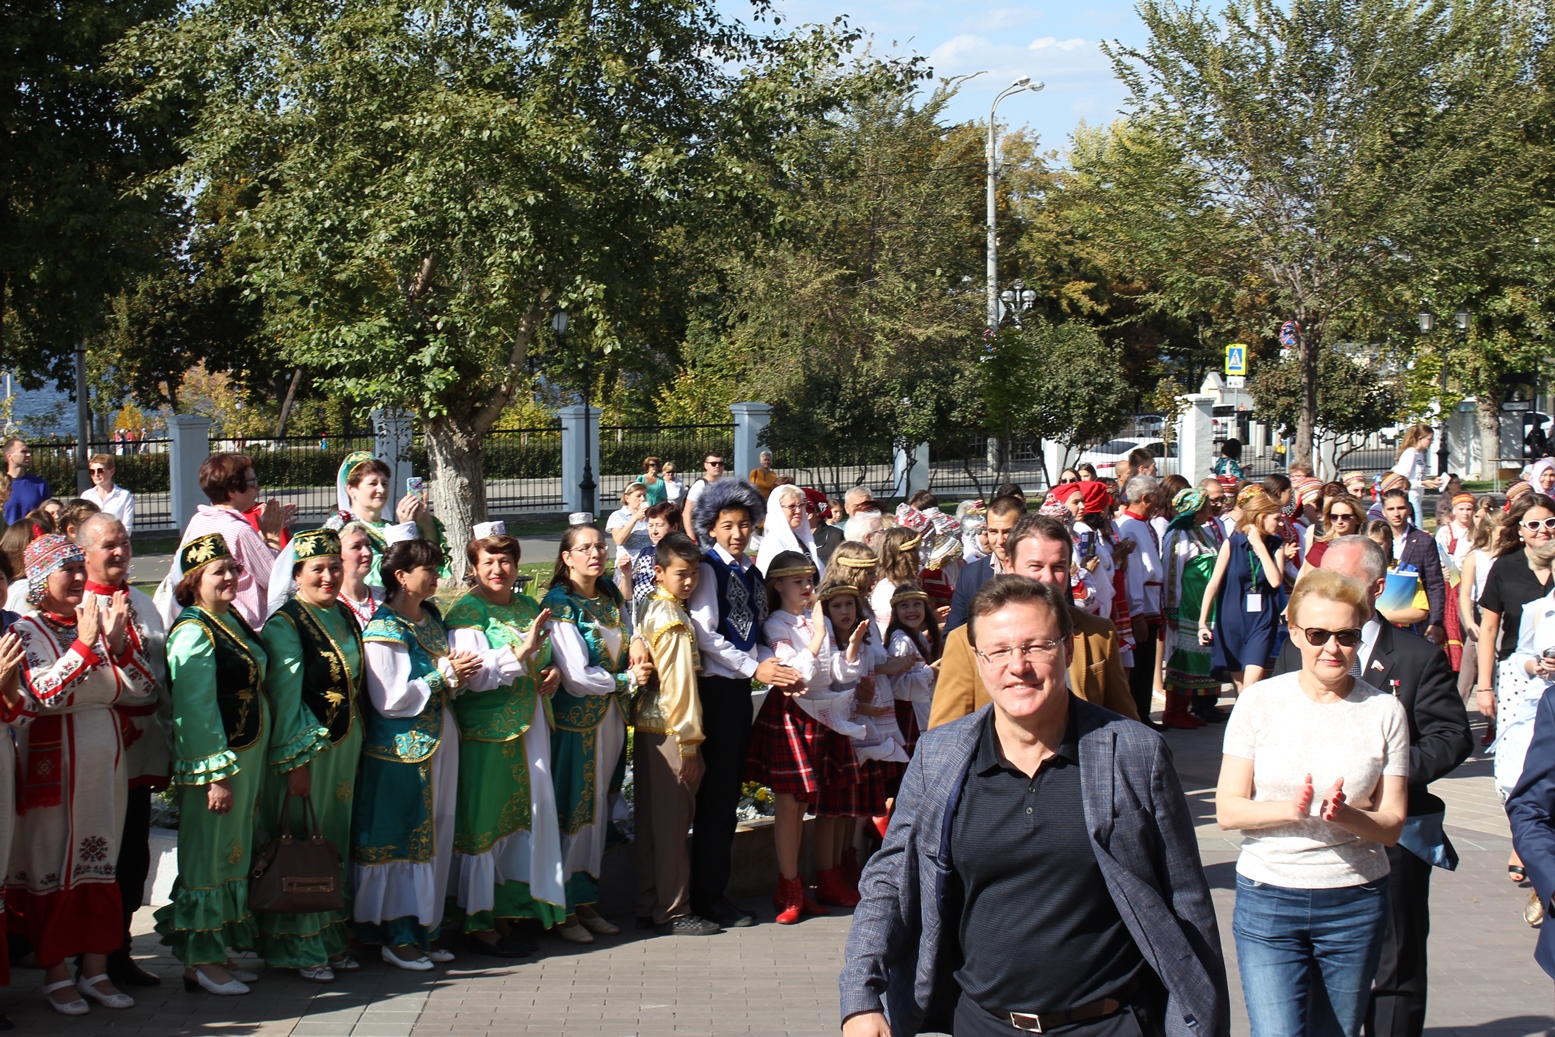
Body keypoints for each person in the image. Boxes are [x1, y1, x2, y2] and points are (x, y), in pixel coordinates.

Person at [841, 575, 1228, 1037]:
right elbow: (890, 880)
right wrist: (860, 997)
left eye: (1035, 646)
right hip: (983, 1023)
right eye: (999, 651)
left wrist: (1202, 1023)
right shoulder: (940, 755)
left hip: (1110, 1023)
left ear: (1066, 650)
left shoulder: (1131, 752)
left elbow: (1186, 902)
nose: (1017, 666)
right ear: (979, 661)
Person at [1272, 536, 1472, 1036]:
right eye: (1321, 579)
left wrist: (1386, 777)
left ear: (1378, 588)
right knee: (1319, 966)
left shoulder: (1415, 656)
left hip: (1393, 832)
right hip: (1311, 838)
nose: (1330, 591)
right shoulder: (1299, 648)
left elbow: (1451, 735)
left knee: (1395, 964)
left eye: (1345, 581)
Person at [1216, 568, 1409, 1037]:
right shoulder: (1259, 702)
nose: (1332, 648)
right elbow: (1228, 810)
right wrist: (1290, 809)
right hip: (1269, 897)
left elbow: (1392, 825)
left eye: (1347, 635)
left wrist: (1346, 815)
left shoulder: (1384, 710)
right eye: (1319, 634)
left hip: (1355, 898)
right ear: (1296, 632)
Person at [11, 534, 157, 1015]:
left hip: (103, 765)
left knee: (102, 864)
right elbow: (42, 696)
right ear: (38, 579)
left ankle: (94, 969)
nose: (78, 578)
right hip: (53, 770)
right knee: (50, 866)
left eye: (79, 567)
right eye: (65, 570)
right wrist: (86, 647)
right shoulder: (26, 630)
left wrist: (114, 644)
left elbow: (140, 689)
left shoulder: (95, 621)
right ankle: (55, 970)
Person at [353, 534, 481, 970]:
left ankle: (425, 928)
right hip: (399, 754)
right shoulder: (384, 628)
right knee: (403, 839)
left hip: (440, 739)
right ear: (401, 576)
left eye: (438, 566)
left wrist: (458, 678)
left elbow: (443, 678)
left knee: (436, 836)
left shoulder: (429, 617)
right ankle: (395, 934)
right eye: (429, 568)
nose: (437, 576)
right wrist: (444, 675)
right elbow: (389, 698)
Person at [152, 533, 270, 997]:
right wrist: (214, 777)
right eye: (218, 571)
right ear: (193, 581)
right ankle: (199, 961)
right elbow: (195, 712)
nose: (229, 578)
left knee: (230, 858)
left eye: (232, 569)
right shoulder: (193, 632)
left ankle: (217, 953)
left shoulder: (230, 621)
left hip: (245, 761)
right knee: (207, 861)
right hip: (217, 772)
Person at [444, 524, 566, 954]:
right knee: (484, 821)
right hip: (486, 733)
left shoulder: (528, 604)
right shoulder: (467, 613)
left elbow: (543, 655)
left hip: (530, 726)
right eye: (488, 561)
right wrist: (521, 653)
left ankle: (516, 905)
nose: (499, 569)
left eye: (506, 560)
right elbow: (472, 679)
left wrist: (549, 671)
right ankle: (478, 920)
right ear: (474, 568)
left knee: (528, 815)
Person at [687, 479, 800, 928]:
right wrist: (755, 668)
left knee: (729, 793)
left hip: (738, 692)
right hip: (716, 692)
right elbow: (704, 633)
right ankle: (706, 895)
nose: (737, 533)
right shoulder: (709, 570)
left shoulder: (750, 573)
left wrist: (776, 665)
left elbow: (754, 634)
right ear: (711, 528)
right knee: (716, 797)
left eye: (744, 525)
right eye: (728, 525)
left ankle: (717, 889)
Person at [256, 528, 367, 982]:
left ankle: (330, 936)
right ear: (297, 574)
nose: (328, 576)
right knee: (301, 842)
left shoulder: (343, 614)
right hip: (308, 751)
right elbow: (285, 698)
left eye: (334, 567)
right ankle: (298, 947)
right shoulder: (287, 625)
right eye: (317, 569)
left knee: (331, 843)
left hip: (346, 748)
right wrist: (295, 764)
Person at [542, 524, 649, 943]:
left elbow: (629, 627)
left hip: (609, 719)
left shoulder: (606, 593)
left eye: (599, 546)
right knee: (574, 811)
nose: (595, 553)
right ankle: (564, 906)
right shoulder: (561, 603)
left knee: (598, 810)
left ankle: (587, 899)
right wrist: (626, 681)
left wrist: (637, 642)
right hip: (575, 725)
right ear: (566, 557)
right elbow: (576, 676)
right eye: (584, 548)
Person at [930, 514, 1139, 726]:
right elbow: (944, 737)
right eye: (1036, 567)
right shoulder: (965, 642)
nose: (1048, 578)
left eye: (1058, 567)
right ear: (1009, 566)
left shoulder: (1098, 633)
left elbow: (1125, 723)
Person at [77, 513, 169, 989]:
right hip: (95, 759)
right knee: (98, 860)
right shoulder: (75, 605)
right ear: (86, 553)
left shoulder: (140, 601)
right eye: (109, 545)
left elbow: (161, 672)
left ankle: (119, 950)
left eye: (124, 543)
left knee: (133, 857)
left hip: (141, 756)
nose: (119, 552)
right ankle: (86, 956)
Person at [753, 552, 867, 923]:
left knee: (813, 803)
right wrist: (818, 635)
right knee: (790, 805)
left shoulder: (813, 619)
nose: (807, 586)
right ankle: (788, 886)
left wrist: (849, 652)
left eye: (809, 579)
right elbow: (795, 673)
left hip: (824, 713)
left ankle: (814, 882)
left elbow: (832, 671)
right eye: (798, 580)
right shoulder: (775, 624)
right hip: (792, 713)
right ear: (778, 586)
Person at [633, 533, 720, 936]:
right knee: (672, 824)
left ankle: (648, 899)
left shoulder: (653, 607)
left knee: (653, 823)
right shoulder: (674, 620)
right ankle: (673, 908)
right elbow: (680, 687)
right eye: (681, 574)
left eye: (694, 574)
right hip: (670, 728)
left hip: (651, 726)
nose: (689, 582)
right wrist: (689, 745)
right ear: (660, 572)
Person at [163, 453, 285, 628]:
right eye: (252, 482)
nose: (257, 488)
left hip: (206, 620)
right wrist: (273, 536)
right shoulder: (239, 530)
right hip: (244, 629)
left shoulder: (199, 520)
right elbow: (276, 582)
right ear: (231, 491)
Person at [1199, 491, 1294, 695]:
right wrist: (1202, 623)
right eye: (1276, 518)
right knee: (1241, 690)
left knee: (1251, 686)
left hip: (1261, 621)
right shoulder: (1232, 544)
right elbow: (1213, 584)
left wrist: (1260, 546)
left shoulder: (1276, 546)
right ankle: (1243, 726)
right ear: (1261, 516)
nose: (1279, 524)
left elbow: (1275, 580)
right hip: (1231, 622)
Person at [319, 452, 447, 590]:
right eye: (372, 483)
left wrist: (425, 520)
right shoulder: (343, 529)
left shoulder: (391, 526)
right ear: (351, 489)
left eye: (384, 483)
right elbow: (375, 575)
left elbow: (432, 562)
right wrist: (404, 531)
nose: (381, 489)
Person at [1162, 488, 1224, 729]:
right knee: (1182, 658)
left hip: (1205, 607)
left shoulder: (1201, 532)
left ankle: (1187, 707)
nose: (1211, 509)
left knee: (1199, 659)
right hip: (1187, 605)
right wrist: (1172, 609)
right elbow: (1171, 572)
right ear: (1196, 510)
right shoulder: (1177, 535)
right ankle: (1173, 711)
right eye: (1206, 505)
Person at [1118, 476, 1165, 725]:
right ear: (1146, 498)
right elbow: (1133, 573)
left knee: (1146, 663)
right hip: (1142, 604)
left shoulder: (1142, 524)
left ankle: (1143, 713)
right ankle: (1138, 716)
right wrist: (1137, 613)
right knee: (1140, 664)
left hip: (1150, 602)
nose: (1159, 499)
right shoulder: (1130, 527)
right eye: (1156, 494)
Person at [944, 494, 1024, 633]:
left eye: (1007, 532)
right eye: (993, 532)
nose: (1000, 540)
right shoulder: (969, 576)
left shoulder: (1044, 572)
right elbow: (952, 636)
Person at [1379, 488, 1448, 644]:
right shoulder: (1377, 539)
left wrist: (1436, 622)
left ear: (1409, 509)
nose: (1396, 513)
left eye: (1401, 508)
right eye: (1391, 509)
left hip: (1415, 621)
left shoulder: (1423, 540)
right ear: (1384, 512)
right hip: (1382, 618)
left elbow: (1435, 584)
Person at [1458, 512, 1505, 710]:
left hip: (1503, 613)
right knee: (1468, 667)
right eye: (1502, 532)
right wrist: (1469, 623)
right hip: (1481, 612)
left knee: (1497, 665)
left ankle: (1493, 722)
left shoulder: (1508, 557)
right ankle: (1456, 715)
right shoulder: (1475, 557)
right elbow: (1465, 594)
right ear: (1489, 531)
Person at [630, 502, 684, 620]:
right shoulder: (645, 553)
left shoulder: (681, 555)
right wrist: (625, 573)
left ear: (674, 527)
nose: (654, 531)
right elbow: (629, 591)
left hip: (673, 619)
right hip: (644, 620)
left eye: (659, 525)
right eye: (650, 525)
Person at [755, 483, 822, 575]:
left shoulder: (801, 539)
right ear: (778, 510)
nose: (798, 511)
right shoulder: (772, 543)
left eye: (801, 505)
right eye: (792, 506)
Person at [869, 526, 923, 630]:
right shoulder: (888, 589)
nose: (920, 554)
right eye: (918, 549)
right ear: (909, 555)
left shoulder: (908, 581)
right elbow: (891, 635)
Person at [1300, 493, 1365, 577]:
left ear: (1358, 519)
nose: (1339, 521)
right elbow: (1309, 581)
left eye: (1345, 517)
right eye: (1334, 517)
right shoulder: (1321, 548)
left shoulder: (1365, 547)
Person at [336, 520, 384, 629]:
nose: (367, 552)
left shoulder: (384, 597)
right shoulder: (332, 604)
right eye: (356, 547)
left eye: (368, 545)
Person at [607, 482, 652, 597]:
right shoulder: (618, 516)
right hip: (627, 566)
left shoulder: (650, 517)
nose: (642, 499)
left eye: (644, 496)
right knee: (627, 603)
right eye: (638, 496)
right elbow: (619, 540)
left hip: (648, 566)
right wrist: (635, 518)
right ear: (627, 498)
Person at [1392, 424, 1441, 528]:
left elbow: (1417, 477)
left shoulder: (1420, 454)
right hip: (1411, 496)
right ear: (1420, 438)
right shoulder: (1410, 453)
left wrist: (1431, 481)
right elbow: (1402, 480)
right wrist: (1423, 483)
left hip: (1418, 495)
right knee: (1418, 528)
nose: (1431, 442)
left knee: (1416, 527)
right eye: (1429, 439)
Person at [83, 453, 135, 535]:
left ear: (112, 471)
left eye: (100, 471)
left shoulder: (124, 496)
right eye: (92, 471)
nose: (96, 474)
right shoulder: (86, 496)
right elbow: (82, 525)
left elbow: (127, 528)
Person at [2, 438, 50, 525]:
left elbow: (47, 516)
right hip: (6, 537)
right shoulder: (2, 484)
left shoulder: (39, 484)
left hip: (34, 536)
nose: (28, 454)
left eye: (28, 451)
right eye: (23, 451)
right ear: (9, 456)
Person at [681, 453, 727, 533]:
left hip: (719, 531)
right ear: (706, 466)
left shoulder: (723, 484)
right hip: (702, 533)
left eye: (720, 464)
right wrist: (691, 537)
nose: (717, 466)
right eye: (713, 464)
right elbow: (686, 513)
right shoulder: (700, 485)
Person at [806, 489, 845, 567]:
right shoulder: (791, 536)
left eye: (799, 507)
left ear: (809, 514)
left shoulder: (835, 536)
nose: (795, 511)